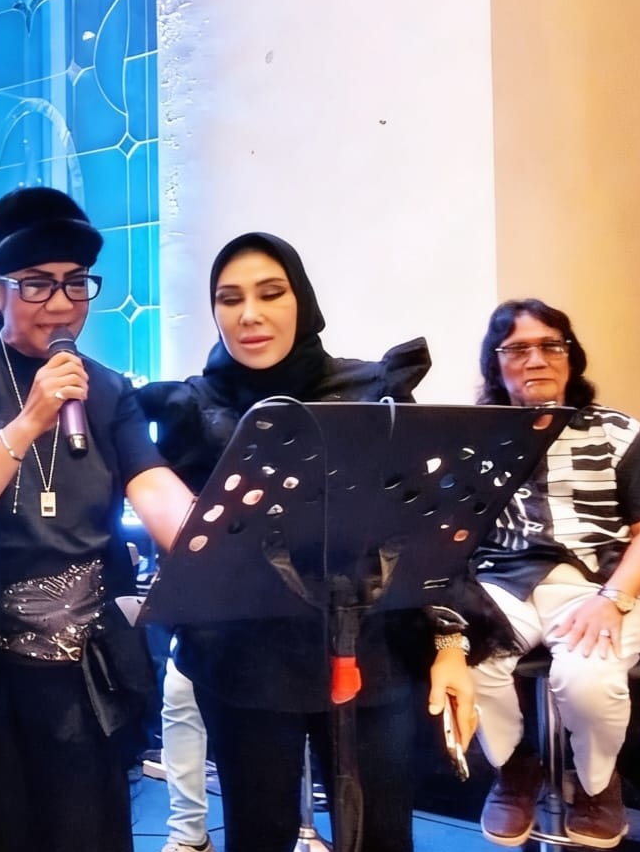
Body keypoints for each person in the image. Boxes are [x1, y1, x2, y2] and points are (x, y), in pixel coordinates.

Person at [137, 232, 478, 852]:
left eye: (271, 293)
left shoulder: (372, 390)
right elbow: (183, 542)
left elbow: (424, 534)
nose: (249, 314)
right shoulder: (192, 406)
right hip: (245, 660)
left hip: (371, 650)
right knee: (257, 833)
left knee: (381, 834)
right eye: (230, 299)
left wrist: (450, 644)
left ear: (304, 301)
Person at [0, 187, 194, 852]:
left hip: (83, 673)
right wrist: (30, 420)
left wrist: (217, 543)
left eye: (76, 283)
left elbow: (151, 483)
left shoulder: (105, 388)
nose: (61, 304)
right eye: (36, 283)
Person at [470, 299, 640, 849]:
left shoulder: (617, 431)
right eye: (518, 349)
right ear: (496, 364)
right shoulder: (473, 439)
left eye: (550, 345)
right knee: (467, 660)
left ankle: (595, 784)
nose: (536, 359)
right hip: (504, 583)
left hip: (599, 584)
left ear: (571, 357)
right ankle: (514, 768)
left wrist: (613, 598)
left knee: (586, 682)